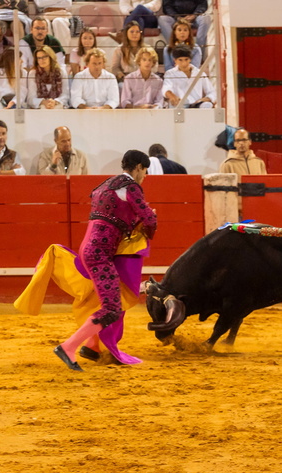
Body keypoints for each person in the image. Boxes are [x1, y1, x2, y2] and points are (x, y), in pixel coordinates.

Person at [53, 149, 157, 370]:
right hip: (100, 253)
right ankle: (69, 346)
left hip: (90, 248)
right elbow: (148, 218)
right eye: (145, 171)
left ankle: (92, 347)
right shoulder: (131, 187)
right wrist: (149, 225)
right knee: (111, 307)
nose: (144, 176)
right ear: (138, 167)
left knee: (106, 301)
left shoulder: (104, 185)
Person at [163, 44, 215, 108]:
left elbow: (211, 91)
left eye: (186, 59)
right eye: (180, 60)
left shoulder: (200, 73)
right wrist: (172, 96)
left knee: (207, 105)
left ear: (190, 59)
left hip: (197, 104)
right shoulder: (170, 73)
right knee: (174, 106)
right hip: (179, 104)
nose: (184, 63)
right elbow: (166, 88)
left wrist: (207, 98)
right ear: (175, 60)